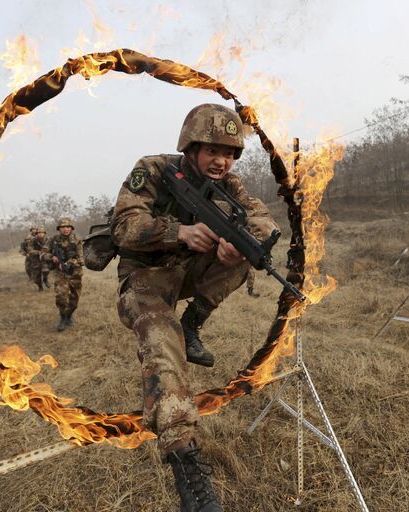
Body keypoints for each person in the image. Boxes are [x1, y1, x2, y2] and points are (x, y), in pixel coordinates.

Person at [111, 103, 278, 512]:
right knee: (163, 348)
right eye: (211, 150)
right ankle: (186, 461)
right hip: (145, 278)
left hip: (186, 273)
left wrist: (235, 242)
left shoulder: (231, 186)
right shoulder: (152, 169)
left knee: (246, 256)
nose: (221, 161)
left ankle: (193, 324)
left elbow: (263, 222)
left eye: (230, 153)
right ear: (190, 147)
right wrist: (178, 231)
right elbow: (124, 225)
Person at [43, 217, 84, 331]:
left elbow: (82, 259)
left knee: (74, 301)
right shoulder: (53, 240)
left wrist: (72, 262)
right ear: (59, 228)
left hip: (75, 273)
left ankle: (69, 316)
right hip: (60, 273)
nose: (65, 229)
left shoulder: (77, 239)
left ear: (71, 228)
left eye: (68, 227)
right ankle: (62, 318)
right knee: (61, 297)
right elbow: (43, 254)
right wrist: (52, 257)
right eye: (63, 227)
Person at [27, 227, 49, 291]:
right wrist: (38, 252)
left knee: (46, 270)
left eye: (42, 233)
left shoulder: (48, 240)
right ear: (37, 234)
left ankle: (45, 279)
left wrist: (46, 253)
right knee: (36, 276)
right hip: (36, 259)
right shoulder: (33, 240)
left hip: (45, 258)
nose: (40, 234)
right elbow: (30, 250)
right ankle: (40, 287)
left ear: (44, 233)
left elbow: (51, 248)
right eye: (39, 233)